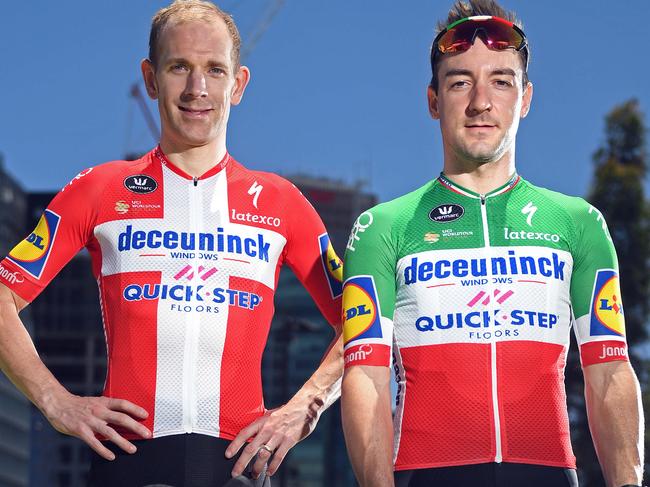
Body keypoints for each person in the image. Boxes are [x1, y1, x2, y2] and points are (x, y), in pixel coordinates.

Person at [0, 1, 344, 486]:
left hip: (237, 465)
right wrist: (55, 400)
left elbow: (365, 320)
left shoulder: (282, 202)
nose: (197, 89)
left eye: (214, 70)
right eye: (179, 66)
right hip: (129, 461)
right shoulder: (100, 188)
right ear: (151, 77)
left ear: (238, 84)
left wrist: (302, 409)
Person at [340, 1, 644, 487]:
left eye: (500, 81)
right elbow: (366, 378)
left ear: (525, 98)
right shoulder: (382, 227)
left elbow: (608, 371)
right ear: (433, 100)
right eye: (460, 81)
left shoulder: (578, 223)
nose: (480, 101)